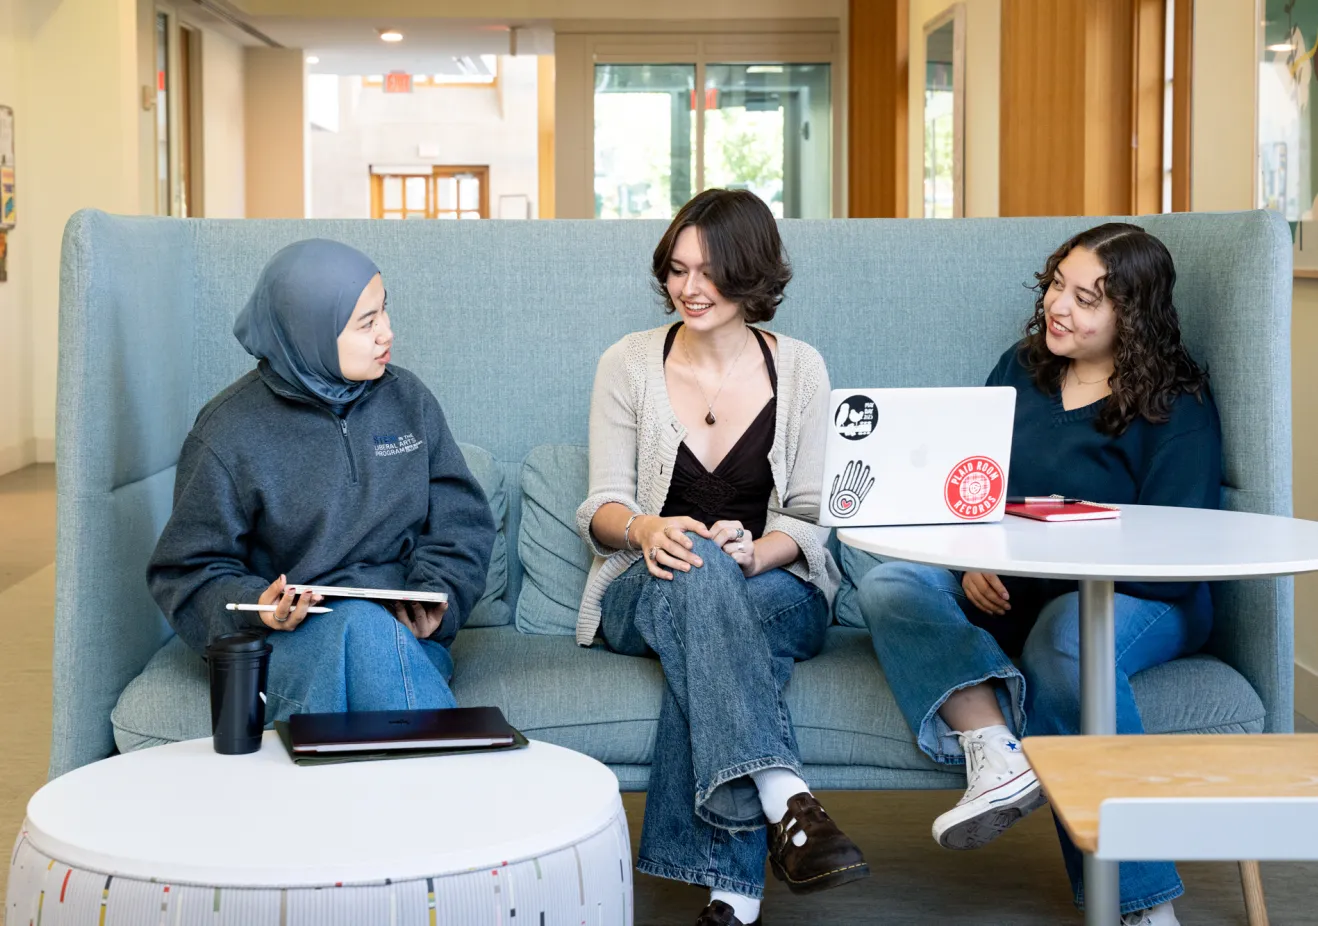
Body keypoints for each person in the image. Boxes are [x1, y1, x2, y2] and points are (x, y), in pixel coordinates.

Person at [856, 223, 1220, 926]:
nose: (1059, 306)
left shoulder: (1175, 402)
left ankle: (1142, 905)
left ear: (1132, 316)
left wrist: (1051, 567)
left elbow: (1182, 549)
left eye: (1086, 299)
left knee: (1067, 637)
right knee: (888, 584)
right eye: (1058, 285)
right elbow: (968, 486)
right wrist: (969, 561)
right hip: (1008, 587)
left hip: (1142, 596)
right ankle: (996, 752)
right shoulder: (1020, 369)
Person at [576, 189, 869, 926]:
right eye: (678, 270)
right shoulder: (628, 363)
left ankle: (735, 889)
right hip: (646, 585)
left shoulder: (800, 369)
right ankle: (784, 798)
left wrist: (756, 552)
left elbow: (812, 518)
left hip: (775, 586)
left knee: (714, 591)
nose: (691, 288)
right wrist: (646, 529)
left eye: (709, 271)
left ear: (751, 273)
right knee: (699, 571)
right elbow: (601, 507)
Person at [147, 239, 495, 720]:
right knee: (361, 632)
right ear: (309, 331)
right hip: (287, 646)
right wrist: (256, 605)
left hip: (404, 641)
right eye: (366, 323)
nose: (387, 333)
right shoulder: (228, 431)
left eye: (384, 310)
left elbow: (462, 526)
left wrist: (439, 601)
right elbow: (186, 572)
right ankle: (457, 766)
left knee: (374, 639)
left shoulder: (409, 400)